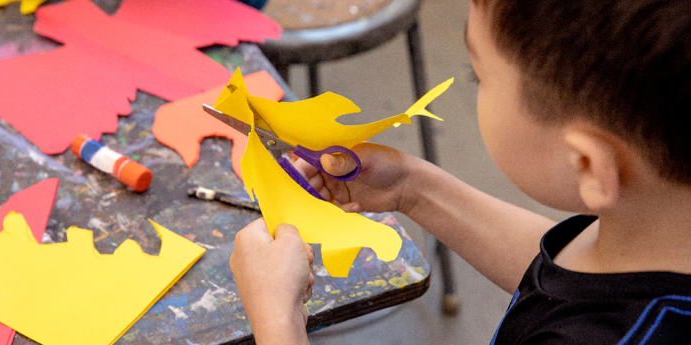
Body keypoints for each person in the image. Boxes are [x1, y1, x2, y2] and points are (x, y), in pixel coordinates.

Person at [229, 0, 691, 343]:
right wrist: (413, 188)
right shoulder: (653, 233)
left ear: (587, 165)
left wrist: (278, 320)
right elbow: (571, 274)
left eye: (480, 76)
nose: (477, 87)